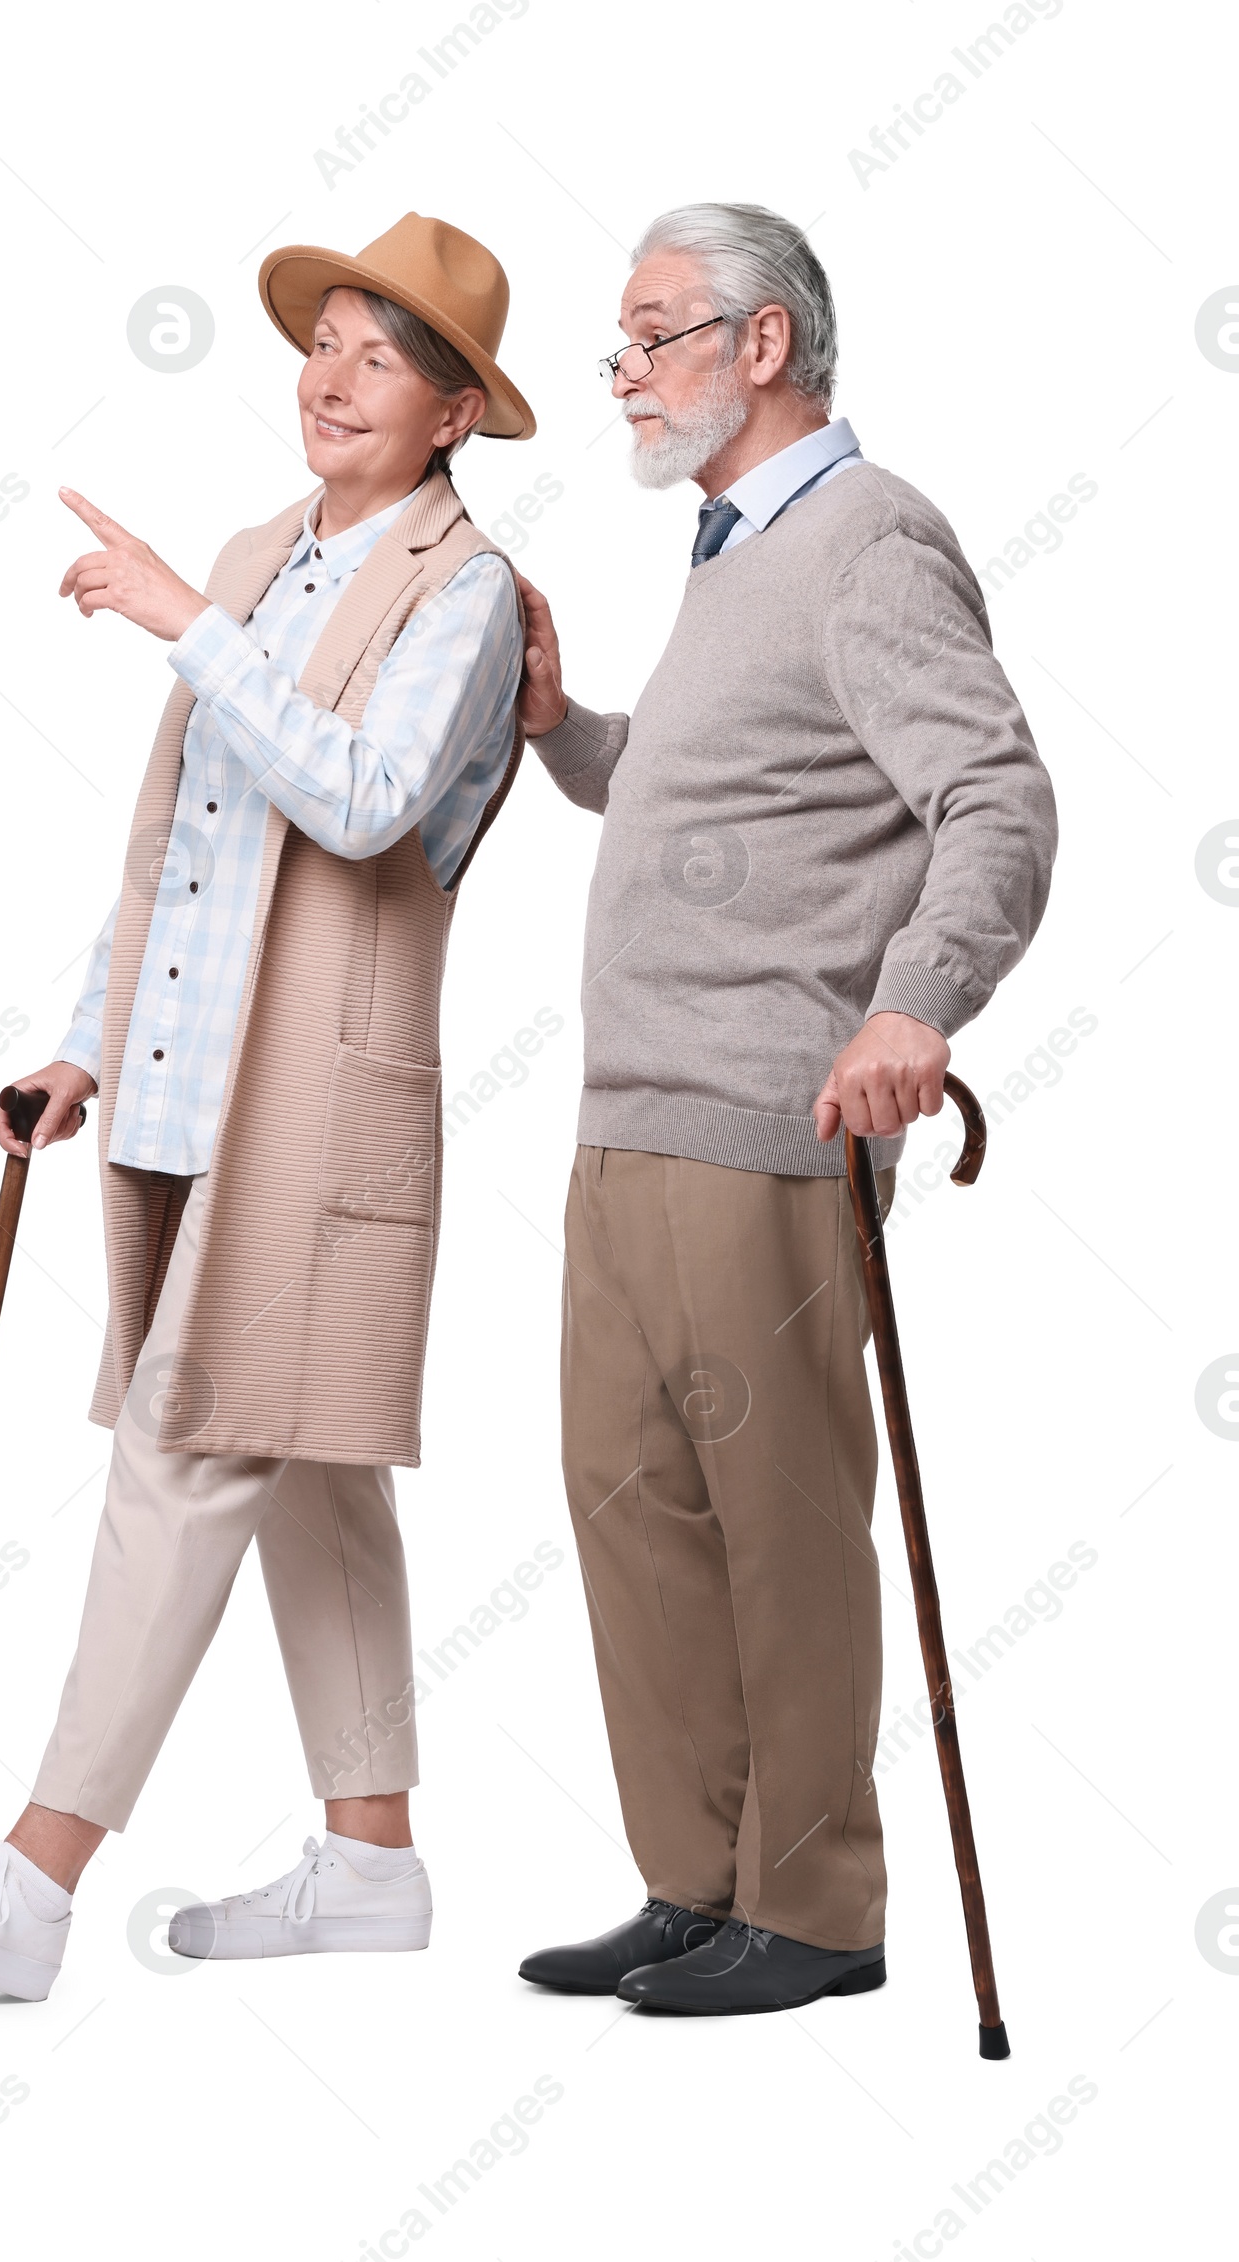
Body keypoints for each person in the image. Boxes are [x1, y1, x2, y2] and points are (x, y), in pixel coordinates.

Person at [0, 213, 534, 1999]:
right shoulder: (251, 555)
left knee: (195, 1433)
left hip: (324, 1101)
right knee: (308, 1469)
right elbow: (182, 850)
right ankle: (371, 1857)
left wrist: (189, 629)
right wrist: (82, 1037)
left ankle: (35, 1882)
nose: (331, 376)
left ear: (453, 415)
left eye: (382, 358)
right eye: (327, 343)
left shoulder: (463, 590)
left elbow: (368, 800)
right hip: (184, 1075)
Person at [514, 202, 1057, 2015]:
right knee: (628, 1498)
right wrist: (562, 721)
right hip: (625, 1121)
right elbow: (712, 797)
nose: (626, 376)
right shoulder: (735, 551)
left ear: (764, 346)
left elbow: (995, 800)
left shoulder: (869, 537)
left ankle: (816, 1906)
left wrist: (913, 1004)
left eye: (654, 335)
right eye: (623, 342)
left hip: (768, 1127)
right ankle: (701, 1878)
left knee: (782, 1513)